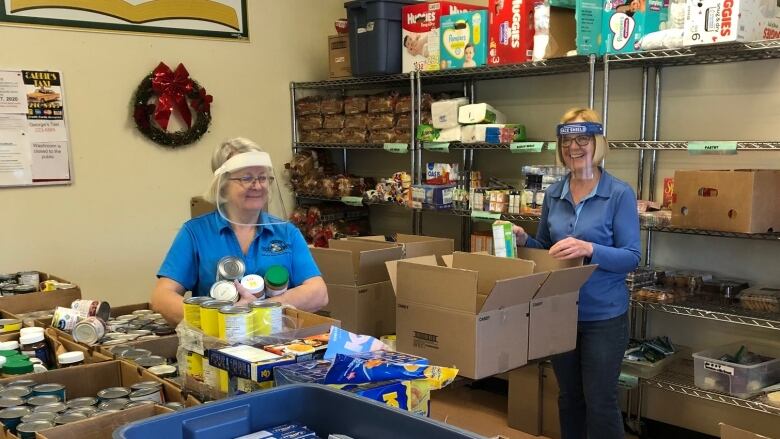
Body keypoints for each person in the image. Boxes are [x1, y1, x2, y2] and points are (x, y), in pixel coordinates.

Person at [513, 108, 640, 439]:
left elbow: (632, 257)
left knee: (600, 401)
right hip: (560, 312)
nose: (574, 147)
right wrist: (525, 240)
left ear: (596, 142)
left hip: (604, 316)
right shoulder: (554, 193)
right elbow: (547, 248)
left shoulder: (619, 193)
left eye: (582, 138)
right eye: (567, 140)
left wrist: (590, 249)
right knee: (570, 398)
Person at [151, 138, 328, 324]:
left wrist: (257, 310)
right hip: (217, 345)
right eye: (246, 178)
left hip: (278, 346)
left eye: (263, 177)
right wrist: (223, 320)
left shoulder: (286, 232)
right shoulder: (195, 233)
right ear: (222, 185)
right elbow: (162, 298)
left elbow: (318, 293)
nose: (258, 186)